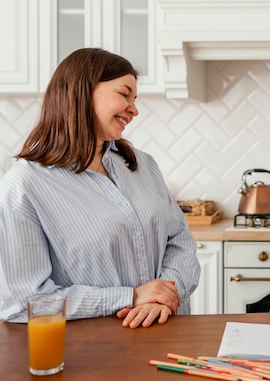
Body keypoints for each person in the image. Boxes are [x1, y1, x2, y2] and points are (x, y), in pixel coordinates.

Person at [0, 48, 200, 328]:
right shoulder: (23, 186)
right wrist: (129, 298)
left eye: (135, 98)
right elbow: (23, 302)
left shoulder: (143, 165)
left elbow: (179, 239)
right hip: (93, 348)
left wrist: (164, 295)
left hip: (168, 333)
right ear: (82, 91)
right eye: (124, 94)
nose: (134, 108)